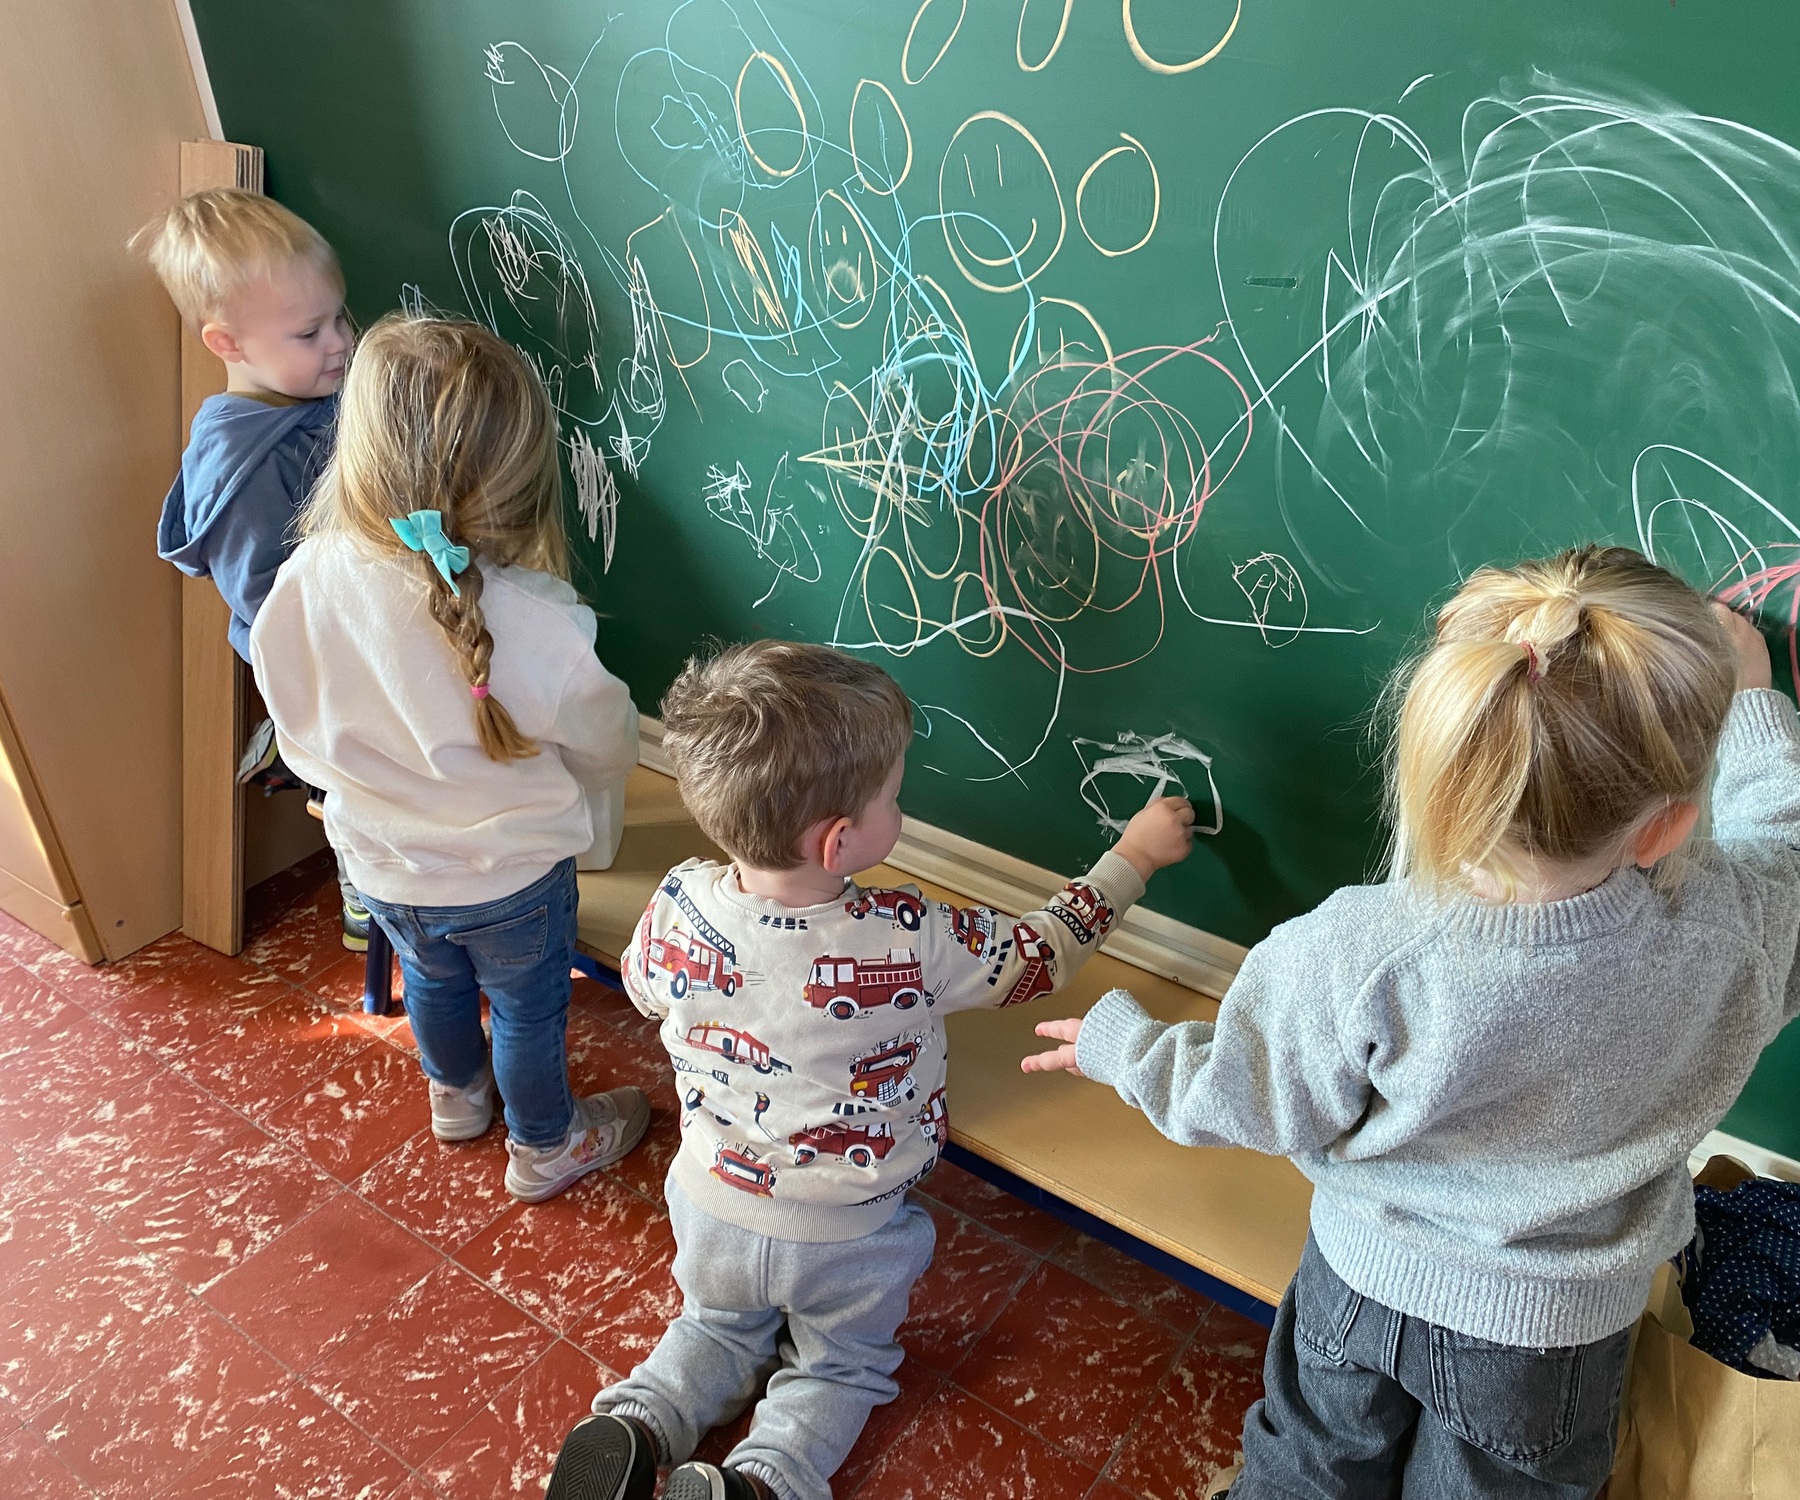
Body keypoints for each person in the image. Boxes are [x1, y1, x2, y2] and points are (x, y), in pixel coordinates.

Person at [1024, 546, 1800, 1499]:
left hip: (1360, 1280)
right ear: (1666, 824)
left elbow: (1251, 1095)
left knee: (1308, 1470)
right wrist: (1752, 700)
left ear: (1443, 763)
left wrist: (1127, 1050)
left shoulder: (1360, 947)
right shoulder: (1730, 929)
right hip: (1550, 1334)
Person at [542, 639, 1196, 1500]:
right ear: (841, 841)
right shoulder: (910, 935)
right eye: (895, 796)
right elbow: (1038, 957)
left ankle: (636, 1422)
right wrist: (1134, 858)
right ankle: (762, 1481)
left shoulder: (679, 902)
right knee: (839, 1367)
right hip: (846, 1232)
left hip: (709, 1199)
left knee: (715, 1325)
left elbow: (641, 987)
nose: (902, 806)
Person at [251, 314, 645, 1201]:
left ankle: (457, 1099)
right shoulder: (538, 619)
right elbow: (607, 744)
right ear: (516, 477)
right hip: (514, 879)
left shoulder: (307, 576)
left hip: (383, 864)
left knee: (433, 983)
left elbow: (293, 722)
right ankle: (546, 1145)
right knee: (528, 1011)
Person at [134, 187, 371, 945]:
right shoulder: (245, 470)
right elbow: (269, 601)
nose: (340, 343)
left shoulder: (308, 390)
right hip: (319, 660)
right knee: (356, 784)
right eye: (309, 332)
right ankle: (365, 891)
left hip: (363, 630)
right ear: (227, 344)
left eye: (340, 318)